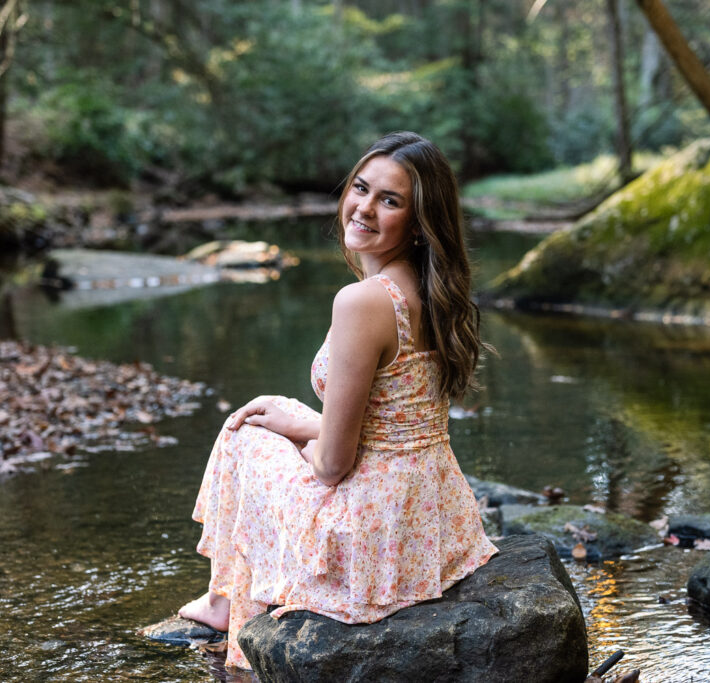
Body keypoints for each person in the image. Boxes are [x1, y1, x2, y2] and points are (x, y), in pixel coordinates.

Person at [178, 131, 498, 670]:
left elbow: (332, 467)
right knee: (275, 411)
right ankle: (225, 596)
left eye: (390, 200)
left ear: (419, 223)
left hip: (371, 535)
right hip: (432, 518)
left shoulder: (364, 301)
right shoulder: (434, 290)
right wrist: (304, 425)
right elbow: (395, 417)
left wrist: (306, 443)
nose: (364, 208)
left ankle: (224, 600)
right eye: (361, 188)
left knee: (245, 431)